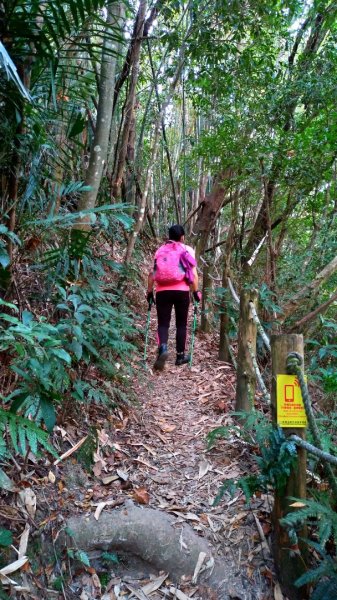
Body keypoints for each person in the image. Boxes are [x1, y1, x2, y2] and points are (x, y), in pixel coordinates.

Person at [146, 224, 201, 371]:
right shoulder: (188, 250)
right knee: (181, 324)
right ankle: (180, 356)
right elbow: (194, 275)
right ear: (182, 237)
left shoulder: (160, 251)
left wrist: (149, 292)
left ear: (169, 236)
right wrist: (195, 292)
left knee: (163, 324)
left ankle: (163, 348)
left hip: (162, 291)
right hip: (182, 291)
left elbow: (152, 274)